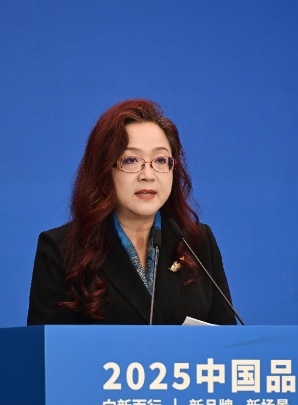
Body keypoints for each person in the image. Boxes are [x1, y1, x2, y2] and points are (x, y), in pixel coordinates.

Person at [27, 99, 236, 325]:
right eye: (131, 160)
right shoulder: (62, 249)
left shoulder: (197, 243)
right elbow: (47, 345)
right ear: (104, 169)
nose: (147, 175)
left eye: (160, 160)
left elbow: (228, 342)